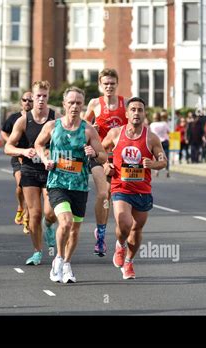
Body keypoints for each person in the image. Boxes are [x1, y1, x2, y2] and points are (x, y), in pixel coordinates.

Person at [36, 86, 106, 283]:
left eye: (78, 103)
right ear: (64, 105)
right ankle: (58, 259)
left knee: (74, 229)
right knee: (65, 222)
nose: (75, 106)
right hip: (57, 182)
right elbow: (39, 144)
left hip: (79, 185)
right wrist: (44, 159)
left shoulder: (88, 130)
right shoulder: (52, 126)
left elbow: (103, 155)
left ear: (82, 105)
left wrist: (94, 154)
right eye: (71, 102)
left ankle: (67, 264)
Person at [102, 97, 167, 279]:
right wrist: (106, 164)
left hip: (142, 190)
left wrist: (152, 164)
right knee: (124, 224)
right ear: (127, 113)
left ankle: (129, 261)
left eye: (140, 110)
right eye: (133, 109)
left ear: (144, 114)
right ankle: (120, 245)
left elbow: (163, 161)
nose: (136, 113)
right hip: (120, 187)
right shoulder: (116, 134)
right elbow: (99, 151)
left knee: (136, 229)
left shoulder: (151, 138)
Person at [5, 81, 59, 265]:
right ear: (33, 97)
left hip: (50, 170)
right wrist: (23, 151)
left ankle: (49, 225)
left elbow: (66, 139)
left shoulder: (55, 117)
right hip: (29, 169)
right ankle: (37, 252)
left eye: (44, 96)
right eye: (38, 96)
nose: (41, 99)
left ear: (48, 97)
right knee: (35, 214)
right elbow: (8, 146)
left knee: (50, 212)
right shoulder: (23, 120)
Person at [83, 68, 129, 257]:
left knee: (115, 197)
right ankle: (101, 235)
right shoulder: (95, 103)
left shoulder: (125, 103)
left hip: (120, 158)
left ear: (117, 84)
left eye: (112, 83)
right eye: (105, 84)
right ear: (100, 85)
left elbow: (134, 127)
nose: (109, 87)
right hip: (98, 154)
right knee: (104, 193)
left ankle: (121, 237)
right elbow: (82, 126)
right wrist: (90, 128)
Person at [1, 91, 33, 234]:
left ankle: (27, 219)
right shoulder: (14, 118)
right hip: (18, 155)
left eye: (30, 100)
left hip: (34, 157)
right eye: (25, 100)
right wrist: (10, 143)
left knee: (29, 188)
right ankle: (21, 206)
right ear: (21, 102)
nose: (27, 102)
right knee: (20, 186)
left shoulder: (39, 119)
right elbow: (3, 131)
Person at [149, 111, 170, 177]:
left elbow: (150, 133)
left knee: (156, 156)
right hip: (165, 141)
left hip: (156, 142)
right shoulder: (164, 123)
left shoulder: (152, 124)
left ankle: (156, 171)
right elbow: (169, 131)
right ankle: (167, 171)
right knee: (166, 156)